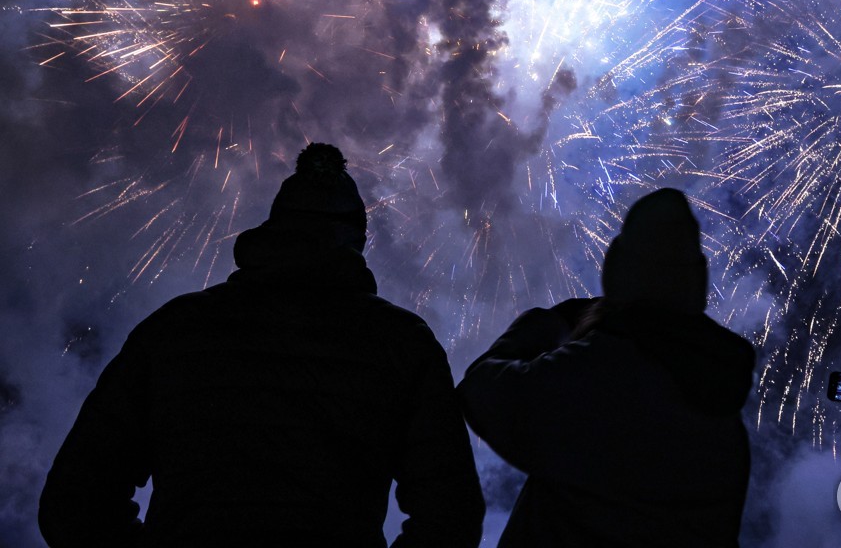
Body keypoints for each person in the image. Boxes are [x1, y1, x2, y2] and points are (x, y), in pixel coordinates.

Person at [40, 143, 484, 548]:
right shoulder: (403, 344)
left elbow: (76, 499)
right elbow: (450, 514)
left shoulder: (173, 330)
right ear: (355, 241)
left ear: (275, 225)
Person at [458, 188, 756, 547]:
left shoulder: (601, 375)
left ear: (620, 272)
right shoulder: (724, 412)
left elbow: (482, 390)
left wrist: (547, 323)